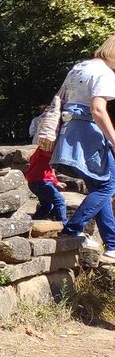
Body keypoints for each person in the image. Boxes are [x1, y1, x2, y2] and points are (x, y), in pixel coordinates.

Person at [51, 35, 115, 262]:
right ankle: (72, 229)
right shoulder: (105, 73)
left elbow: (60, 98)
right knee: (108, 186)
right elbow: (98, 109)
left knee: (100, 188)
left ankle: (112, 245)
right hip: (88, 134)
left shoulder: (79, 68)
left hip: (69, 132)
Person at [26, 145, 67, 224]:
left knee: (47, 206)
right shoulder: (46, 150)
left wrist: (56, 182)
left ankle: (32, 224)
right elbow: (55, 159)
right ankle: (63, 228)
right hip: (40, 182)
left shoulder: (42, 150)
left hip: (35, 182)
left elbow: (50, 168)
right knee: (59, 201)